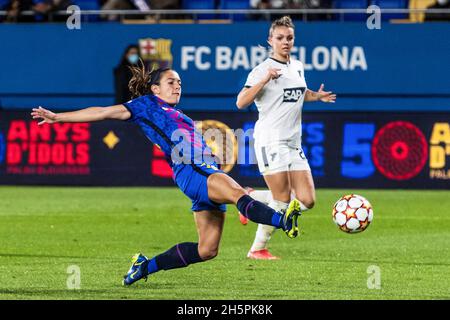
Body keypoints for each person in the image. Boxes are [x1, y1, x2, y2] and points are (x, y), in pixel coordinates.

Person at [31, 63, 302, 286]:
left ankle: (145, 266)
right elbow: (102, 112)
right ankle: (282, 220)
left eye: (180, 83)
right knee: (238, 194)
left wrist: (210, 155)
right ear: (155, 88)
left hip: (201, 170)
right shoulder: (145, 105)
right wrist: (59, 117)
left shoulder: (178, 114)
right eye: (171, 82)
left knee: (207, 250)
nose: (177, 86)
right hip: (192, 170)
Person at [236, 16, 336, 260]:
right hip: (270, 140)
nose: (285, 42)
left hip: (293, 143)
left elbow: (298, 95)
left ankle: (250, 197)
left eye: (289, 37)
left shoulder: (297, 66)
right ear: (270, 40)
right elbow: (241, 102)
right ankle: (257, 249)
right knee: (281, 200)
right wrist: (264, 79)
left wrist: (316, 96)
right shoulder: (261, 70)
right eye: (280, 38)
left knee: (307, 200)